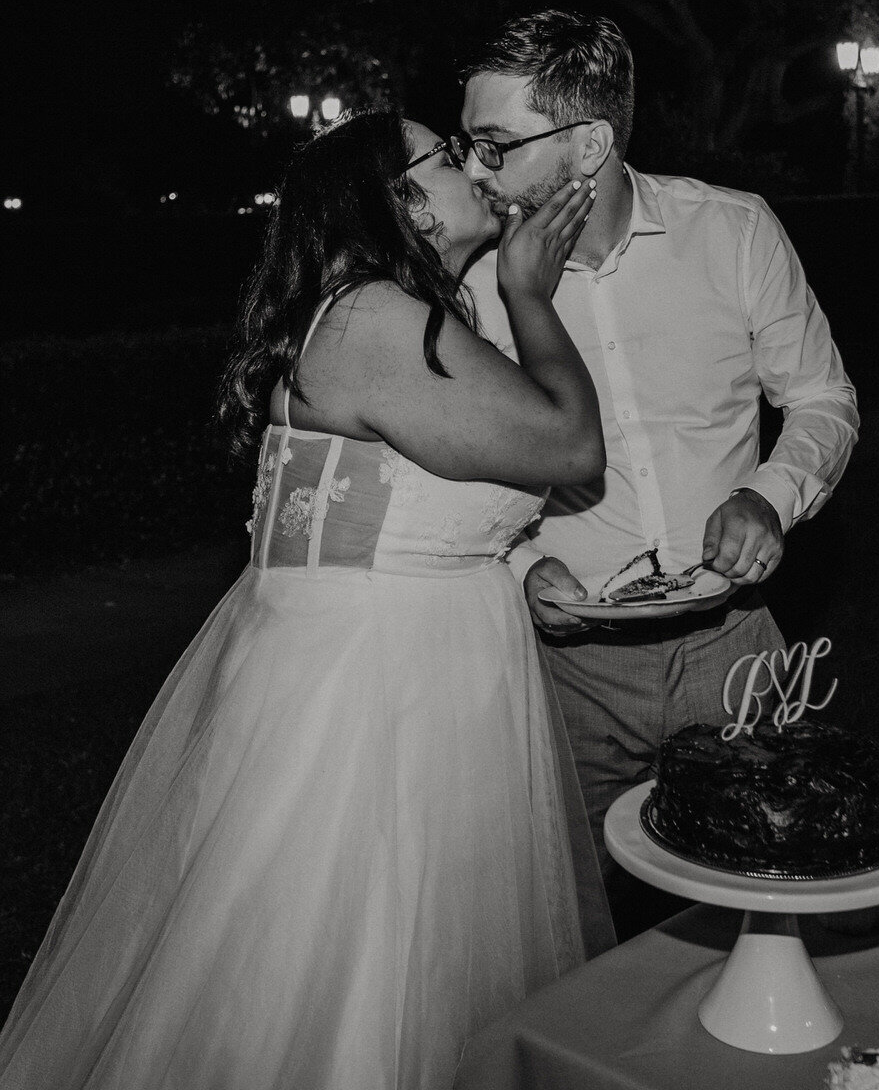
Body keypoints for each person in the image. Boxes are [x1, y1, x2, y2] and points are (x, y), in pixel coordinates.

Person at [0, 109, 614, 1090]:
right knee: (354, 965)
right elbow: (570, 446)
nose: (469, 166)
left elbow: (441, 496)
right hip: (376, 692)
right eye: (443, 155)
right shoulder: (375, 318)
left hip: (411, 656)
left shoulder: (380, 313)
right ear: (398, 200)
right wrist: (529, 293)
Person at [456, 10, 860, 920]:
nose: (475, 170)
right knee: (560, 928)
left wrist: (768, 494)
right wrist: (521, 565)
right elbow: (454, 471)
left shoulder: (732, 232)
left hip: (734, 648)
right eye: (468, 145)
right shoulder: (475, 284)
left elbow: (823, 400)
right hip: (566, 671)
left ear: (588, 141)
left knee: (767, 901)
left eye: (494, 144)